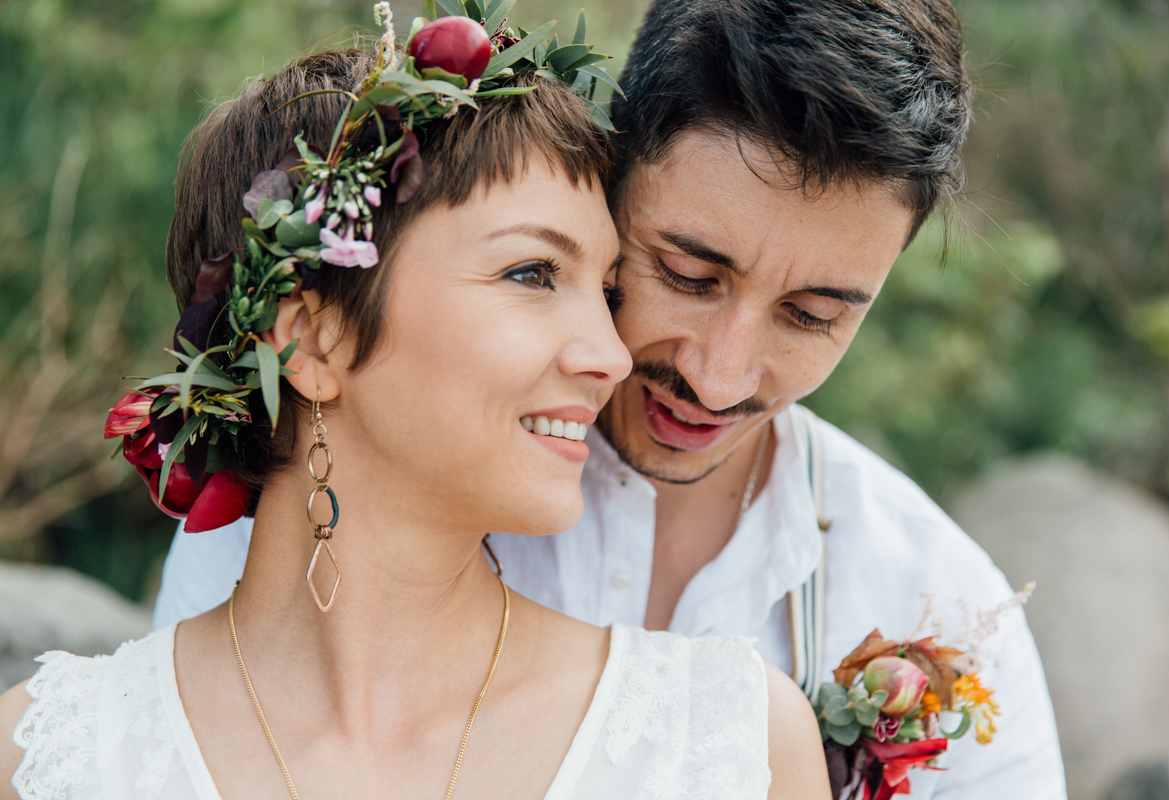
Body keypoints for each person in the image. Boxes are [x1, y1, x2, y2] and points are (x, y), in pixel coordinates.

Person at [157, 0, 1066, 797]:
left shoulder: (940, 599)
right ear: (608, 183)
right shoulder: (333, 504)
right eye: (686, 273)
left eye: (811, 316)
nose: (719, 375)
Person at [0, 22, 830, 800]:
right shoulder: (48, 760)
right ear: (312, 339)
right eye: (534, 274)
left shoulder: (731, 747)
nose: (612, 355)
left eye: (607, 292)